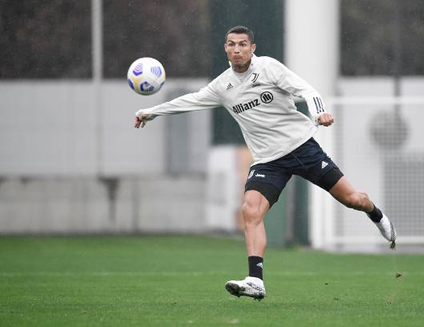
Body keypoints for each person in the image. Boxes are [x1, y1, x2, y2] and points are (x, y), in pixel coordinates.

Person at [134, 26, 397, 301]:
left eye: (243, 44)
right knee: (251, 211)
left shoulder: (269, 68)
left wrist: (319, 114)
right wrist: (149, 112)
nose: (237, 49)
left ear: (253, 48)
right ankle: (255, 281)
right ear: (225, 48)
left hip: (302, 148)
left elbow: (307, 90)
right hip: (268, 161)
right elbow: (191, 100)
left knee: (352, 199)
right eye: (232, 44)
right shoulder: (222, 86)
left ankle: (377, 215)